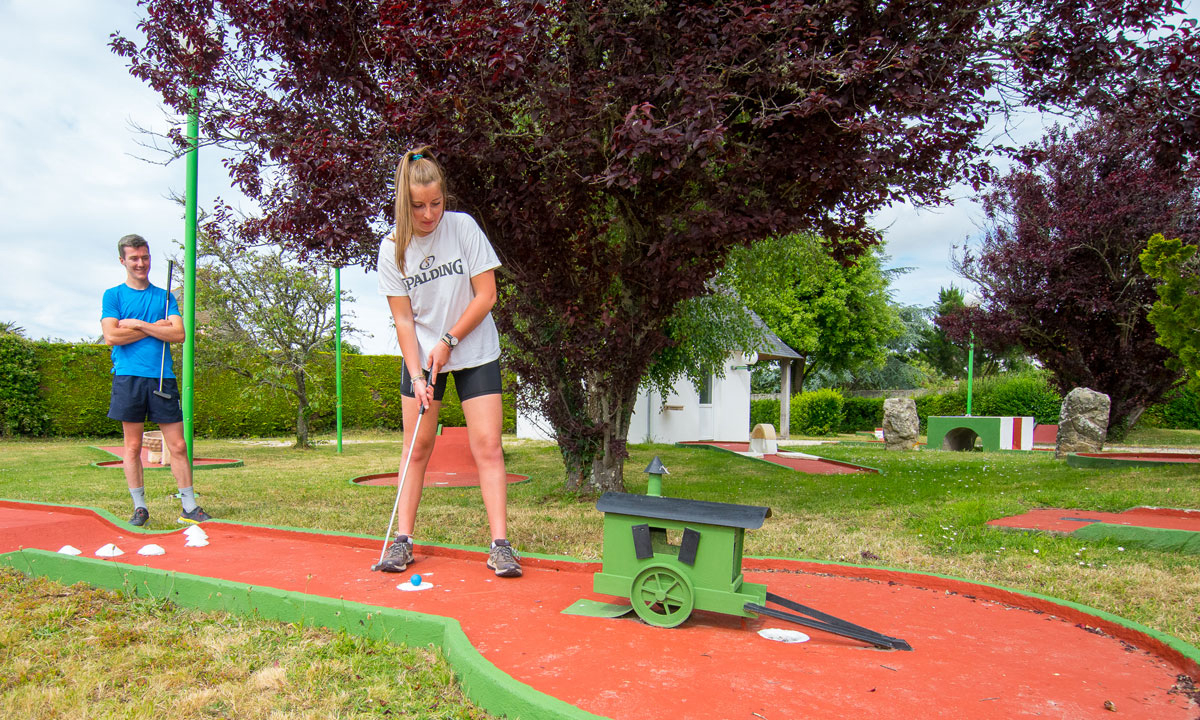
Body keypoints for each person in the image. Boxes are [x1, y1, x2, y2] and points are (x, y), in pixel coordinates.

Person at [375, 147, 521, 578]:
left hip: (473, 350)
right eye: (418, 206)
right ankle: (402, 542)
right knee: (416, 447)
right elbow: (403, 319)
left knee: (488, 446)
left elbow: (486, 295)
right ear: (404, 201)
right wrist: (418, 373)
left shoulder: (463, 229)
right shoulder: (392, 248)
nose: (429, 214)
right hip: (423, 357)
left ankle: (501, 546)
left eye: (436, 203)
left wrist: (450, 339)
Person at [101, 234, 210, 527]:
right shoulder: (113, 296)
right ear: (123, 260)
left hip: (162, 378)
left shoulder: (165, 297)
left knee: (178, 446)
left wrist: (136, 324)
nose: (141, 263)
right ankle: (140, 508)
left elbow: (179, 334)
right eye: (134, 258)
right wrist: (153, 328)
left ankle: (189, 506)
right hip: (128, 377)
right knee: (133, 447)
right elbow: (112, 336)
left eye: (145, 257)